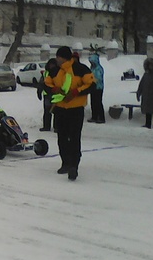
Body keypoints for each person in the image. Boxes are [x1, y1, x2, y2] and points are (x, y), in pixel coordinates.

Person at [45, 46, 96, 181]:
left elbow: (91, 85)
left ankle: (74, 165)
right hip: (60, 109)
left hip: (76, 109)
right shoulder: (55, 71)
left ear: (63, 57)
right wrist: (54, 89)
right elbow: (46, 83)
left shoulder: (81, 69)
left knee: (74, 137)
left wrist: (76, 92)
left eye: (58, 57)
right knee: (62, 137)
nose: (56, 59)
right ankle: (65, 163)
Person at [37, 59, 59, 132]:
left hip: (56, 95)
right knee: (47, 112)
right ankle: (46, 126)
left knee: (56, 112)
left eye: (53, 64)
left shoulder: (59, 73)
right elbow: (41, 83)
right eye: (50, 64)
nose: (51, 66)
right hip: (47, 95)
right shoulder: (45, 73)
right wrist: (39, 92)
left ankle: (56, 127)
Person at [87, 52, 106, 123]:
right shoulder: (92, 68)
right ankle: (94, 116)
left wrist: (92, 79)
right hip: (93, 87)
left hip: (98, 88)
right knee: (93, 102)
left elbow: (98, 78)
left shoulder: (99, 68)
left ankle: (101, 117)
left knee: (98, 102)